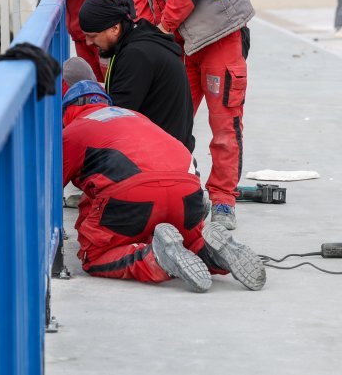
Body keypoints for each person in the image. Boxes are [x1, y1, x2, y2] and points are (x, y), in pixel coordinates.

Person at [113, 0, 254, 230]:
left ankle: (223, 200)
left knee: (224, 123)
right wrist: (146, 29)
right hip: (179, 39)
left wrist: (162, 28)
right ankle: (177, 189)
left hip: (217, 35)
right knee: (168, 121)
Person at [61, 79, 266, 293]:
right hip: (187, 193)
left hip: (135, 195)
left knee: (94, 255)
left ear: (66, 112)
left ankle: (156, 258)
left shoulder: (72, 131)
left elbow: (46, 192)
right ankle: (208, 250)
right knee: (187, 240)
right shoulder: (135, 116)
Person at [77, 0, 195, 152]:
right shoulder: (138, 40)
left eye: (92, 36)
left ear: (114, 28)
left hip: (161, 157)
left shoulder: (136, 55)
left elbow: (118, 116)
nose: (88, 42)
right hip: (172, 146)